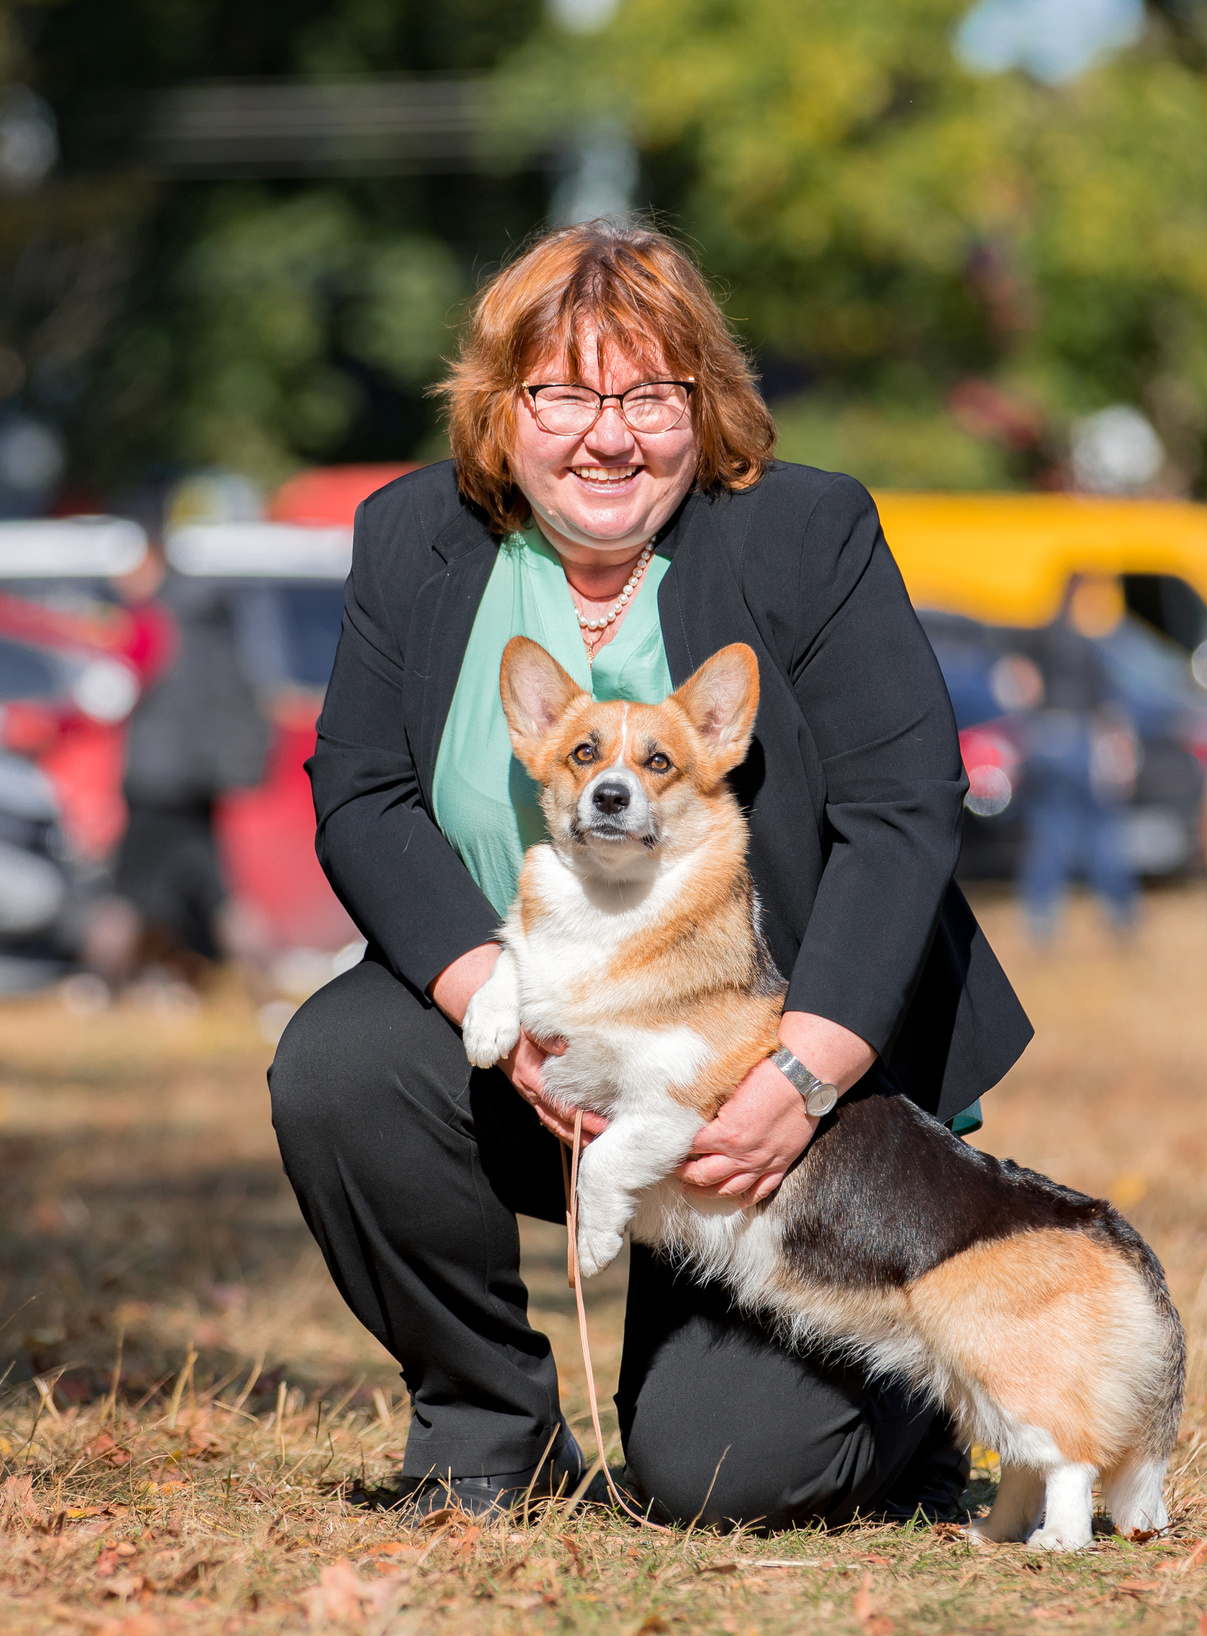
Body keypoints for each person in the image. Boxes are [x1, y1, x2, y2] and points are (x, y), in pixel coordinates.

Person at [268, 219, 1033, 1525]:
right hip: (537, 1040)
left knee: (726, 1475)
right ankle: (488, 1431)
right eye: (560, 392)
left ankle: (910, 1402)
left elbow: (904, 808)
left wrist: (807, 1071)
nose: (604, 434)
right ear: (501, 409)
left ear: (705, 403)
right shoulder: (410, 536)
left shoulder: (810, 531)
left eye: (646, 395)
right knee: (340, 1063)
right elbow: (363, 794)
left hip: (761, 1083)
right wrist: (482, 1000)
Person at [85, 542, 272, 988]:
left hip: (154, 781)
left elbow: (107, 695)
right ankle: (264, 982)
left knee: (127, 892)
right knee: (219, 894)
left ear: (149, 564)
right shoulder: (208, 621)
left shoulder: (152, 621)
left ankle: (97, 986)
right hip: (201, 780)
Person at [1011, 621, 1140, 946]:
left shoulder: (1038, 634)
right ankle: (1121, 914)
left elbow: (1019, 681)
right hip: (1077, 738)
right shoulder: (1088, 640)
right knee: (1100, 827)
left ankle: (1040, 922)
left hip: (1043, 736)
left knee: (1049, 831)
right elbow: (1108, 703)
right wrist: (1121, 751)